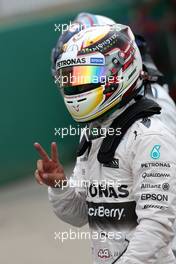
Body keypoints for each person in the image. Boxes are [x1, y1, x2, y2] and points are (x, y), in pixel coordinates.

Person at [34, 13, 176, 264]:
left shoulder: (150, 134)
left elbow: (158, 226)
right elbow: (80, 214)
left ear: (117, 69)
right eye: (71, 78)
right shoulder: (94, 132)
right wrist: (58, 186)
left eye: (85, 76)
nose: (76, 87)